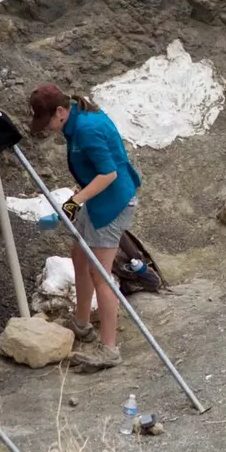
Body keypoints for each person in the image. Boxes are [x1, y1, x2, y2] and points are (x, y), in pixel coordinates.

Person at [30, 83, 143, 370]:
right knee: (79, 254)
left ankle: (109, 349)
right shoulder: (78, 118)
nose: (48, 129)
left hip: (112, 204)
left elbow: (109, 173)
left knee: (99, 274)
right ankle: (81, 323)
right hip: (98, 200)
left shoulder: (87, 129)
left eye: (49, 122)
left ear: (60, 111)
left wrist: (73, 202)